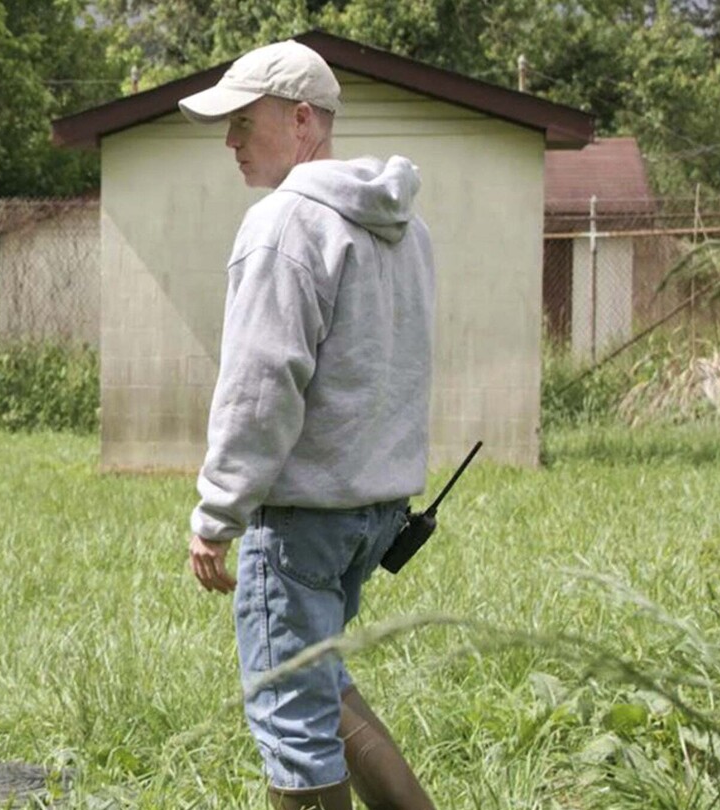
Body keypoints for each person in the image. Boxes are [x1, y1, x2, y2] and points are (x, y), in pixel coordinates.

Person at [177, 40, 437, 810]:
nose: (229, 141)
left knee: (292, 720)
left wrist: (216, 513)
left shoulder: (283, 224)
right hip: (372, 516)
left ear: (300, 121)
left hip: (300, 525)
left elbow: (261, 386)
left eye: (241, 121)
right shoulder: (404, 226)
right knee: (319, 676)